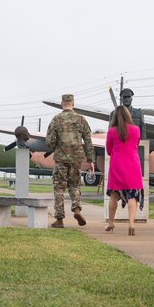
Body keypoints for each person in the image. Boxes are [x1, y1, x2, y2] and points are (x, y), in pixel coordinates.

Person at [45, 93, 95, 228]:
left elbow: (49, 141)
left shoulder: (56, 119)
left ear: (62, 103)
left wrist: (57, 146)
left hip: (61, 158)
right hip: (76, 158)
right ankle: (77, 209)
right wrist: (90, 160)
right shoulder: (81, 119)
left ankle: (59, 219)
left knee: (59, 187)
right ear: (73, 103)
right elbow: (88, 141)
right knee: (75, 185)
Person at [105, 105, 144, 235]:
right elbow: (136, 144)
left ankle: (111, 223)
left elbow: (108, 150)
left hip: (117, 166)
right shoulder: (136, 130)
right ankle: (131, 224)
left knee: (114, 195)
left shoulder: (111, 131)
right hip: (133, 165)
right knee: (132, 196)